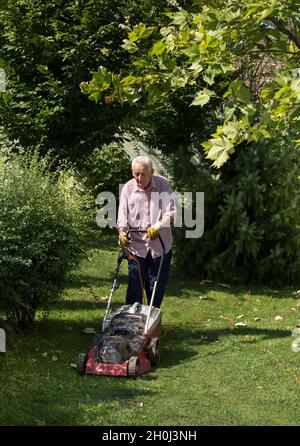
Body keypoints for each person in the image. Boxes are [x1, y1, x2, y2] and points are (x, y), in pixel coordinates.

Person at [117, 155, 176, 308]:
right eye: (136, 174)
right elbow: (122, 218)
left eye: (143, 174)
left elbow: (170, 213)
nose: (139, 178)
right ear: (132, 172)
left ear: (152, 172)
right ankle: (130, 323)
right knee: (135, 286)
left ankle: (151, 324)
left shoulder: (163, 185)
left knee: (155, 287)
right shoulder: (128, 189)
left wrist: (158, 225)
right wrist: (122, 234)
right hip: (137, 248)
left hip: (161, 247)